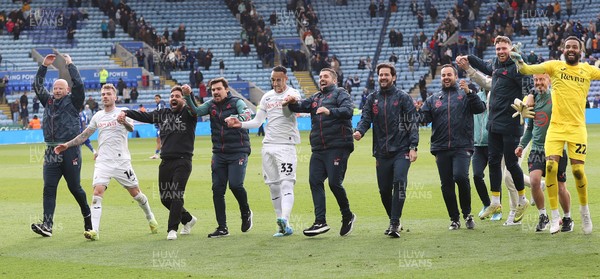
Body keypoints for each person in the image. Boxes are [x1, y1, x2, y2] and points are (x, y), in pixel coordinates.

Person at [511, 36, 599, 234]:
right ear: (563, 49)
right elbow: (527, 70)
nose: (570, 49)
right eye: (567, 46)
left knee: (578, 172)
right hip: (556, 128)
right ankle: (555, 217)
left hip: (577, 128)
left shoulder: (588, 70)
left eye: (574, 47)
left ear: (580, 51)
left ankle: (584, 212)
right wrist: (518, 60)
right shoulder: (554, 66)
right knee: (550, 167)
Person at [54, 84, 158, 240]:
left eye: (108, 94)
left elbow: (131, 129)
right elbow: (85, 135)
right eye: (103, 94)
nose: (105, 96)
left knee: (136, 193)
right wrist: (67, 145)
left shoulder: (123, 113)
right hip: (103, 161)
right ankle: (94, 231)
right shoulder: (98, 116)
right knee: (97, 193)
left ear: (115, 97)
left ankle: (150, 217)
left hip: (121, 161)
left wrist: (124, 122)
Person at [226, 66, 301, 237]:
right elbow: (258, 121)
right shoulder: (266, 97)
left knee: (287, 183)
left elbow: (294, 100)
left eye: (278, 80)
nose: (275, 83)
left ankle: (286, 219)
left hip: (286, 146)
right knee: (273, 186)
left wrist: (289, 100)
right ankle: (280, 224)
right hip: (268, 146)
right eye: (273, 80)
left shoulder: (293, 93)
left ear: (286, 79)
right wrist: (239, 124)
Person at [463, 36, 530, 223]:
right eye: (498, 48)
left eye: (504, 48)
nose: (501, 51)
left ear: (511, 48)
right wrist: (467, 57)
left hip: (511, 124)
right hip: (493, 123)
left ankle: (523, 200)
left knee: (511, 164)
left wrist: (526, 102)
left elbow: (529, 87)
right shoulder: (496, 64)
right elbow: (484, 66)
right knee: (493, 162)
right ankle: (495, 202)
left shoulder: (518, 67)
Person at [283, 68, 356, 237]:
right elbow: (300, 106)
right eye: (320, 76)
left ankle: (347, 215)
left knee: (334, 183)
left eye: (326, 76)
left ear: (334, 80)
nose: (322, 79)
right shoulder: (316, 98)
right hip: (318, 148)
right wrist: (291, 101)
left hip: (338, 145)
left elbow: (348, 111)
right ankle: (320, 222)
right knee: (314, 181)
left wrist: (330, 111)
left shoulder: (340, 93)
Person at [119, 85, 198, 240]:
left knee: (176, 195)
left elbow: (194, 108)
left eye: (177, 96)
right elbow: (145, 116)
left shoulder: (189, 114)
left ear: (183, 99)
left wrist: (190, 95)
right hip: (166, 161)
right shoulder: (163, 114)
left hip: (183, 161)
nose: (173, 98)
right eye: (171, 96)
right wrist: (126, 112)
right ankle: (188, 219)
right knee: (165, 199)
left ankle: (172, 230)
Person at [353, 63, 418, 238]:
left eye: (386, 75)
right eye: (380, 75)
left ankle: (394, 223)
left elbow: (412, 123)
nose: (383, 77)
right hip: (381, 151)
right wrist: (360, 131)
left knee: (399, 183)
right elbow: (366, 118)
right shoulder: (372, 98)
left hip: (401, 150)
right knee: (384, 190)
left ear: (393, 77)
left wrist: (413, 147)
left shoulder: (403, 97)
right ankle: (394, 220)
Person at [30, 54, 92, 237]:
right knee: (49, 188)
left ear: (67, 90)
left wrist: (70, 65)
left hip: (69, 149)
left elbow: (79, 85)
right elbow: (37, 86)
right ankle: (47, 226)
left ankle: (88, 217)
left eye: (60, 88)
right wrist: (44, 66)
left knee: (75, 188)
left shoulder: (74, 101)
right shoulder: (47, 101)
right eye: (55, 88)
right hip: (51, 151)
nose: (57, 91)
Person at [183, 78, 253, 238]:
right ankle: (222, 227)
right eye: (213, 90)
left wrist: (237, 119)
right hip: (219, 153)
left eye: (218, 89)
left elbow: (247, 114)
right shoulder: (210, 105)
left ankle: (246, 212)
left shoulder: (237, 102)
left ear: (226, 90)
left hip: (238, 150)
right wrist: (188, 96)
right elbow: (195, 111)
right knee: (217, 190)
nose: (215, 92)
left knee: (235, 185)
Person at [419, 64, 486, 230]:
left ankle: (467, 214)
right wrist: (418, 111)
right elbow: (423, 120)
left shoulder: (465, 94)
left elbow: (480, 108)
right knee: (446, 184)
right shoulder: (434, 99)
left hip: (462, 146)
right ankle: (454, 218)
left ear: (456, 76)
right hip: (440, 147)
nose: (446, 77)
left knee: (461, 177)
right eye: (443, 75)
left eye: (449, 74)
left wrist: (470, 93)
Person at [514, 74, 572, 233]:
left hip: (556, 149)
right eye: (536, 80)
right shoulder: (531, 102)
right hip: (537, 148)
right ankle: (543, 216)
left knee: (560, 187)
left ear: (549, 80)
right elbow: (530, 129)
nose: (539, 83)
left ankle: (567, 217)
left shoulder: (556, 97)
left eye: (542, 79)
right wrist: (521, 145)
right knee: (534, 181)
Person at [150, 94, 167, 159]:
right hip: (160, 125)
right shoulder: (160, 104)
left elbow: (161, 113)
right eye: (155, 99)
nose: (156, 100)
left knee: (159, 140)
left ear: (160, 98)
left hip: (161, 126)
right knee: (160, 140)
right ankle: (159, 153)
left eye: (157, 98)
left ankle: (156, 154)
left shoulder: (161, 104)